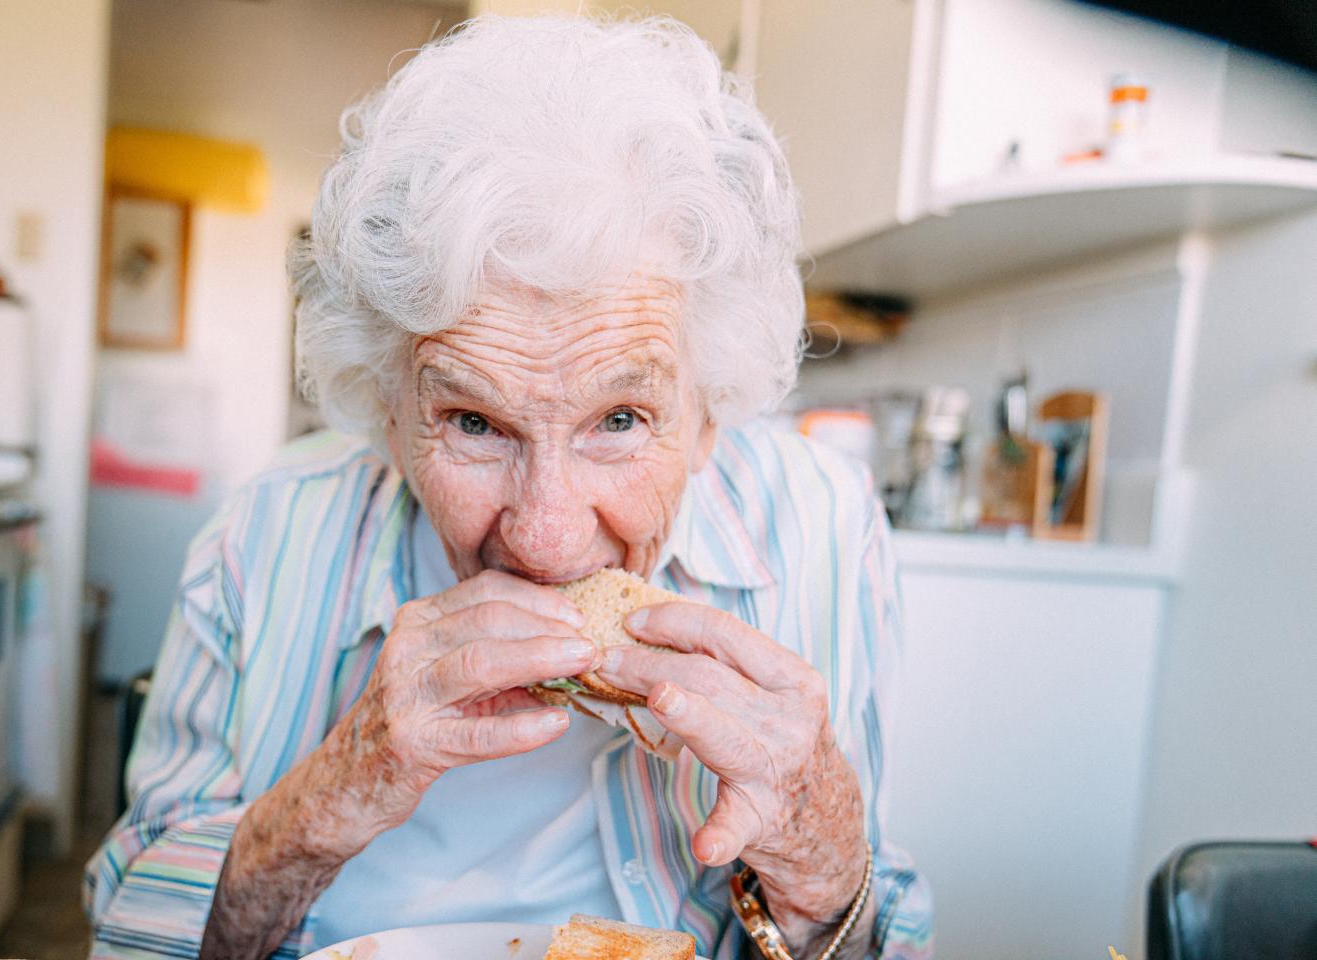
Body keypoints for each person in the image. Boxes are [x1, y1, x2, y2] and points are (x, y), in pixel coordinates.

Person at [85, 15, 932, 960]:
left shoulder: (820, 528)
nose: (547, 539)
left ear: (707, 417)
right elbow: (127, 939)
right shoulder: (265, 533)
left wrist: (823, 862)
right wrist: (333, 793)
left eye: (619, 421)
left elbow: (877, 942)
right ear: (389, 414)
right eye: (475, 424)